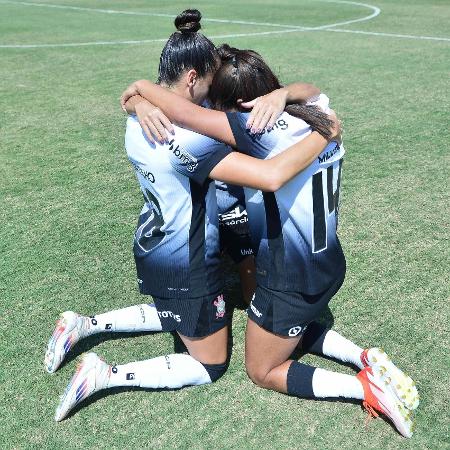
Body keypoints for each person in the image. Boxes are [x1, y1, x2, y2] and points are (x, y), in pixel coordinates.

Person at [45, 10, 339, 422]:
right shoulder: (180, 136)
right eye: (208, 84)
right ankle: (105, 374)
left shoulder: (140, 119)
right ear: (191, 78)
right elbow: (269, 175)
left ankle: (86, 324)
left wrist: (137, 95)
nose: (211, 95)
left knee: (175, 314)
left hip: (155, 240)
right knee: (211, 363)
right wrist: (325, 132)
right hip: (189, 259)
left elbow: (145, 104)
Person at [119, 45, 419, 437]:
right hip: (327, 258)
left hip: (289, 274)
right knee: (285, 328)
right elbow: (309, 88)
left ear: (240, 106)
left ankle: (365, 387)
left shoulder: (254, 131)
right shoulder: (314, 107)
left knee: (263, 369)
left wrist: (140, 87)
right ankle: (362, 356)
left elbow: (189, 116)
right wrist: (289, 99)